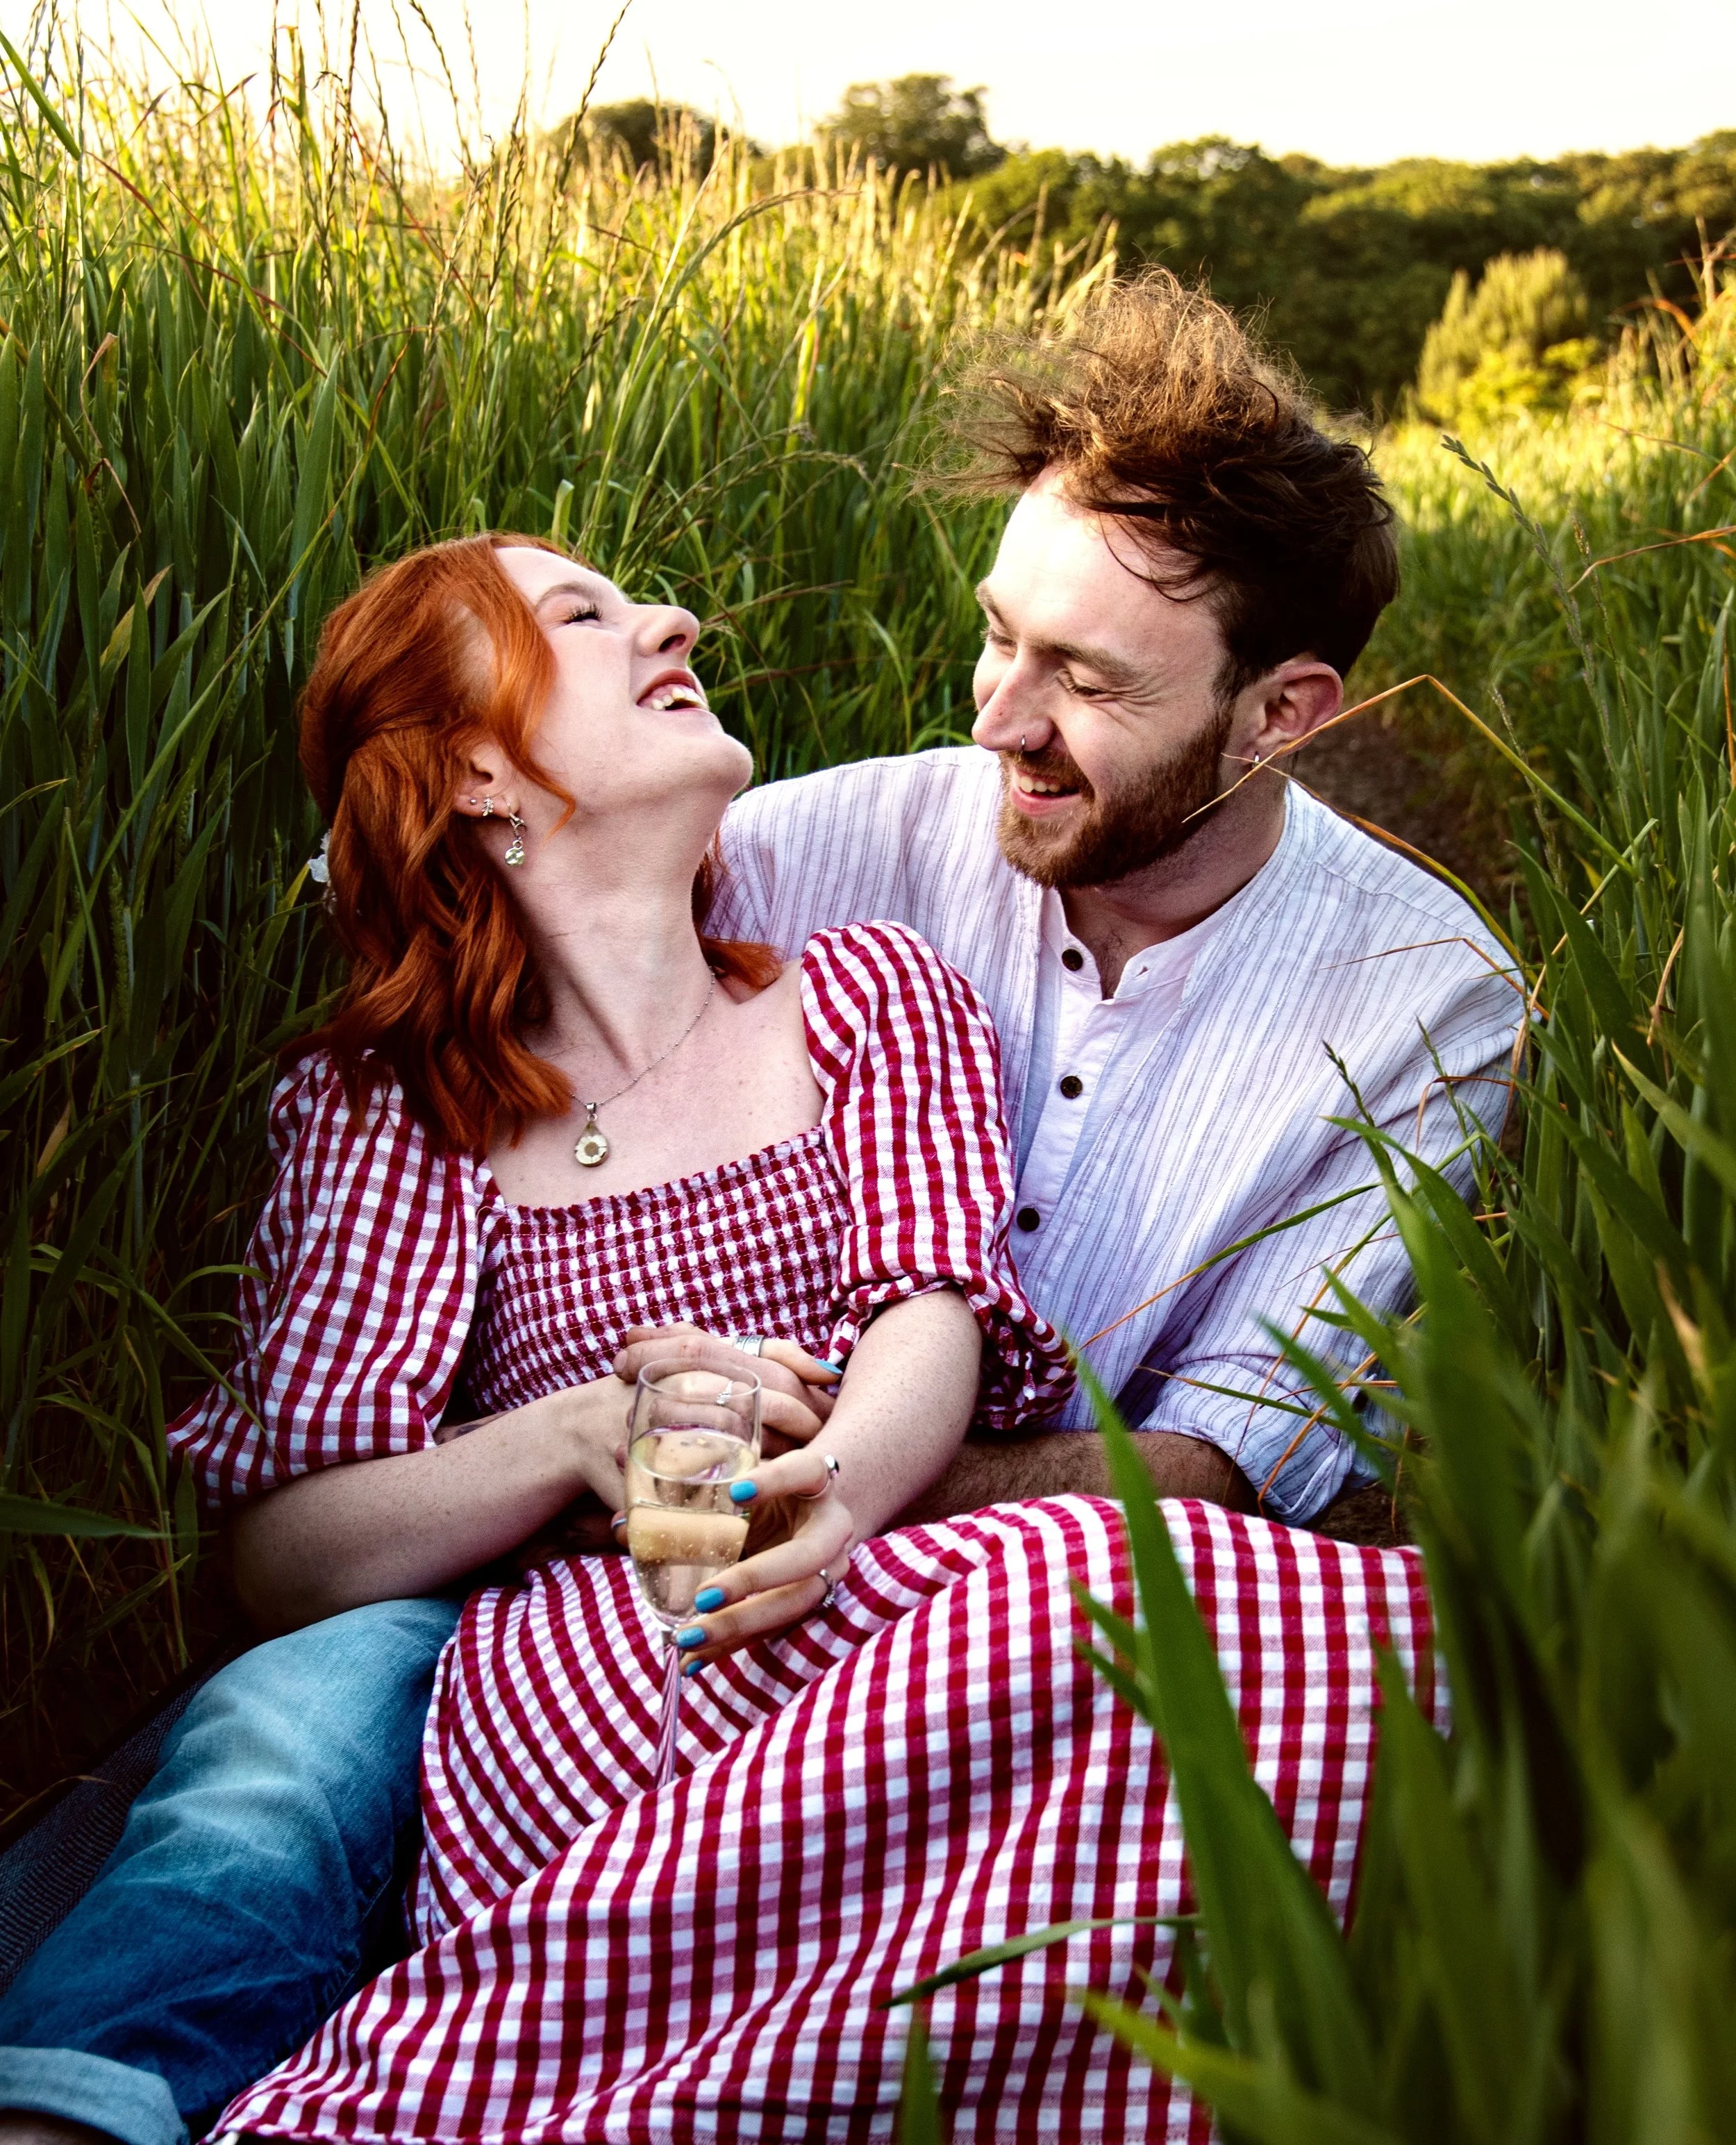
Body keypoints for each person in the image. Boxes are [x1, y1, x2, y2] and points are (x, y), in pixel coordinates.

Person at [0, 272, 1517, 2142]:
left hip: (967, 1562)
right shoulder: (831, 840)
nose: (996, 720)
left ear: (1284, 713)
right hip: (573, 1600)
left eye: (1088, 685)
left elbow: (1207, 1465)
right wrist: (591, 1464)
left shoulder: (1420, 997)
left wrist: (811, 1493)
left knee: (1318, 1675)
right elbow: (484, 865)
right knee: (285, 1753)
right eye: (995, 640)